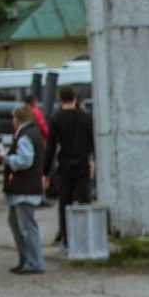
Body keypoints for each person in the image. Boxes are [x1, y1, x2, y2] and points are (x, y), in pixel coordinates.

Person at [42, 85, 94, 253]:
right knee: (84, 201)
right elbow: (92, 142)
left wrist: (45, 172)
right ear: (75, 98)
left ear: (60, 99)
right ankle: (86, 238)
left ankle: (66, 240)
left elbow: (50, 147)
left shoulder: (56, 119)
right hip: (82, 163)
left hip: (64, 165)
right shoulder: (86, 118)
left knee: (65, 203)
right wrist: (92, 160)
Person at [1, 104, 45, 274]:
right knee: (16, 223)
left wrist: (6, 158)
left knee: (26, 226)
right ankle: (26, 259)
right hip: (23, 187)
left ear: (17, 119)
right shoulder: (33, 133)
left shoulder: (25, 136)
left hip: (24, 188)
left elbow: (25, 160)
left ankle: (34, 262)